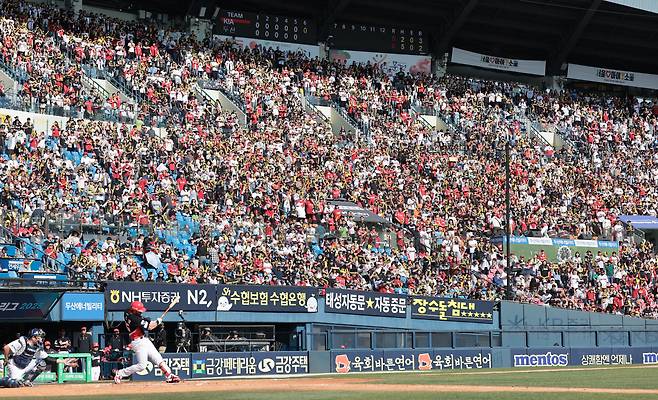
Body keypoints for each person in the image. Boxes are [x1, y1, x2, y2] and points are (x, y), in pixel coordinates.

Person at [113, 301, 180, 384]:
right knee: (142, 366)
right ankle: (120, 373)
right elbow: (151, 327)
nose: (141, 312)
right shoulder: (134, 319)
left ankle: (169, 375)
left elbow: (144, 321)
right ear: (134, 310)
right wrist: (158, 322)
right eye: (139, 311)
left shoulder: (127, 312)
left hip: (144, 340)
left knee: (158, 358)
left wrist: (149, 321)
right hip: (138, 342)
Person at [2, 329, 78, 384]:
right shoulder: (23, 341)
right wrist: (6, 359)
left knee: (42, 363)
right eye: (38, 337)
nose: (40, 339)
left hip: (25, 366)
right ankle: (2, 381)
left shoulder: (38, 347)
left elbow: (47, 358)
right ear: (33, 337)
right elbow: (6, 348)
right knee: (14, 384)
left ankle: (27, 380)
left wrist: (63, 361)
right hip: (15, 365)